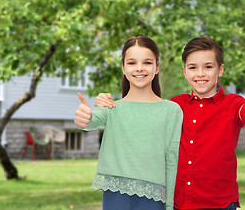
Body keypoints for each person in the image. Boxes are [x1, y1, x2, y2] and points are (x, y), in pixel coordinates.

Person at [94, 36, 245, 210]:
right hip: (180, 204)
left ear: (220, 69)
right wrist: (106, 102)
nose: (200, 74)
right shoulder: (175, 105)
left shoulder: (231, 104)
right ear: (185, 72)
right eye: (193, 67)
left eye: (208, 67)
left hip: (219, 203)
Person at [74, 35, 183, 210]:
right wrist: (83, 117)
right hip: (115, 195)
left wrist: (169, 206)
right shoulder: (111, 107)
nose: (139, 68)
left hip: (154, 198)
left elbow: (172, 161)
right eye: (132, 63)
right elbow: (92, 121)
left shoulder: (172, 110)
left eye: (147, 62)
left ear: (157, 68)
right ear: (123, 68)